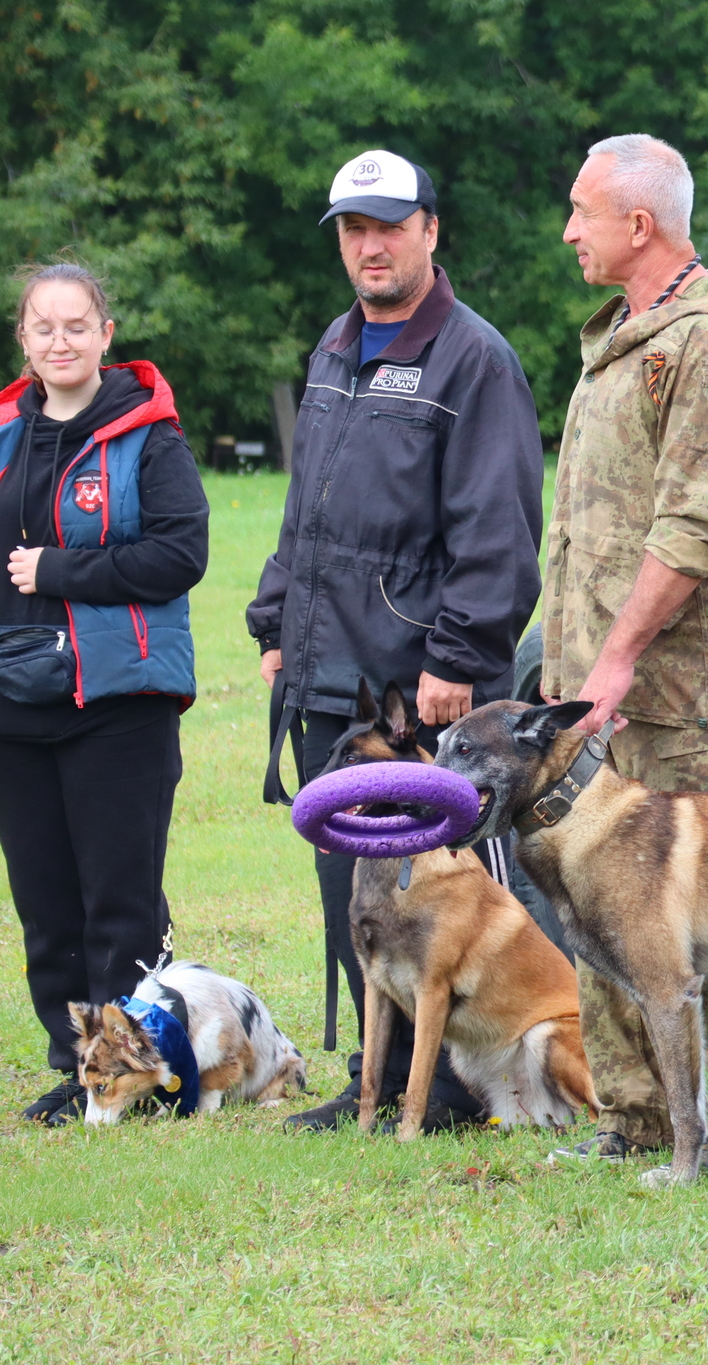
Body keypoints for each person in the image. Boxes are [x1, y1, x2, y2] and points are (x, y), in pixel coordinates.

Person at [247, 149, 544, 1131]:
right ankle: (370, 1082)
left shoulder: (473, 358)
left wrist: (457, 658)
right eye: (352, 229)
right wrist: (274, 619)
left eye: (387, 225)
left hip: (422, 688)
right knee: (357, 887)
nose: (369, 246)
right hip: (327, 667)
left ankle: (458, 1083)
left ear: (428, 230)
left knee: (444, 891)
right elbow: (307, 514)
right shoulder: (335, 348)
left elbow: (497, 531)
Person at [541, 133, 708, 1169]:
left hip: (675, 689)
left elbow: (695, 525)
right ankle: (636, 1116)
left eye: (582, 212)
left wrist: (616, 659)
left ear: (638, 223)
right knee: (601, 911)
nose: (569, 231)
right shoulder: (621, 334)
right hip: (590, 692)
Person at [0, 262, 207, 1126]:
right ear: (23, 338)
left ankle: (138, 1071)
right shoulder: (6, 432)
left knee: (118, 901)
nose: (60, 341)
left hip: (117, 702)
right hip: (18, 701)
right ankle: (76, 1066)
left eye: (76, 325)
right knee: (45, 906)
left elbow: (179, 553)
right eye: (43, 326)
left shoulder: (146, 435)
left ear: (105, 334)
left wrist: (59, 569)